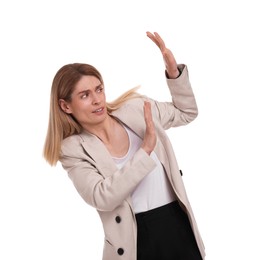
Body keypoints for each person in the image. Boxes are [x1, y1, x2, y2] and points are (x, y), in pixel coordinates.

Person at [43, 31, 205, 260]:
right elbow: (102, 197)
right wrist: (145, 151)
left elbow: (186, 112)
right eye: (85, 95)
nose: (97, 99)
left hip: (177, 228)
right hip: (135, 242)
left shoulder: (137, 110)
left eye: (99, 89)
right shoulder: (72, 149)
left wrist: (173, 73)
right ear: (66, 106)